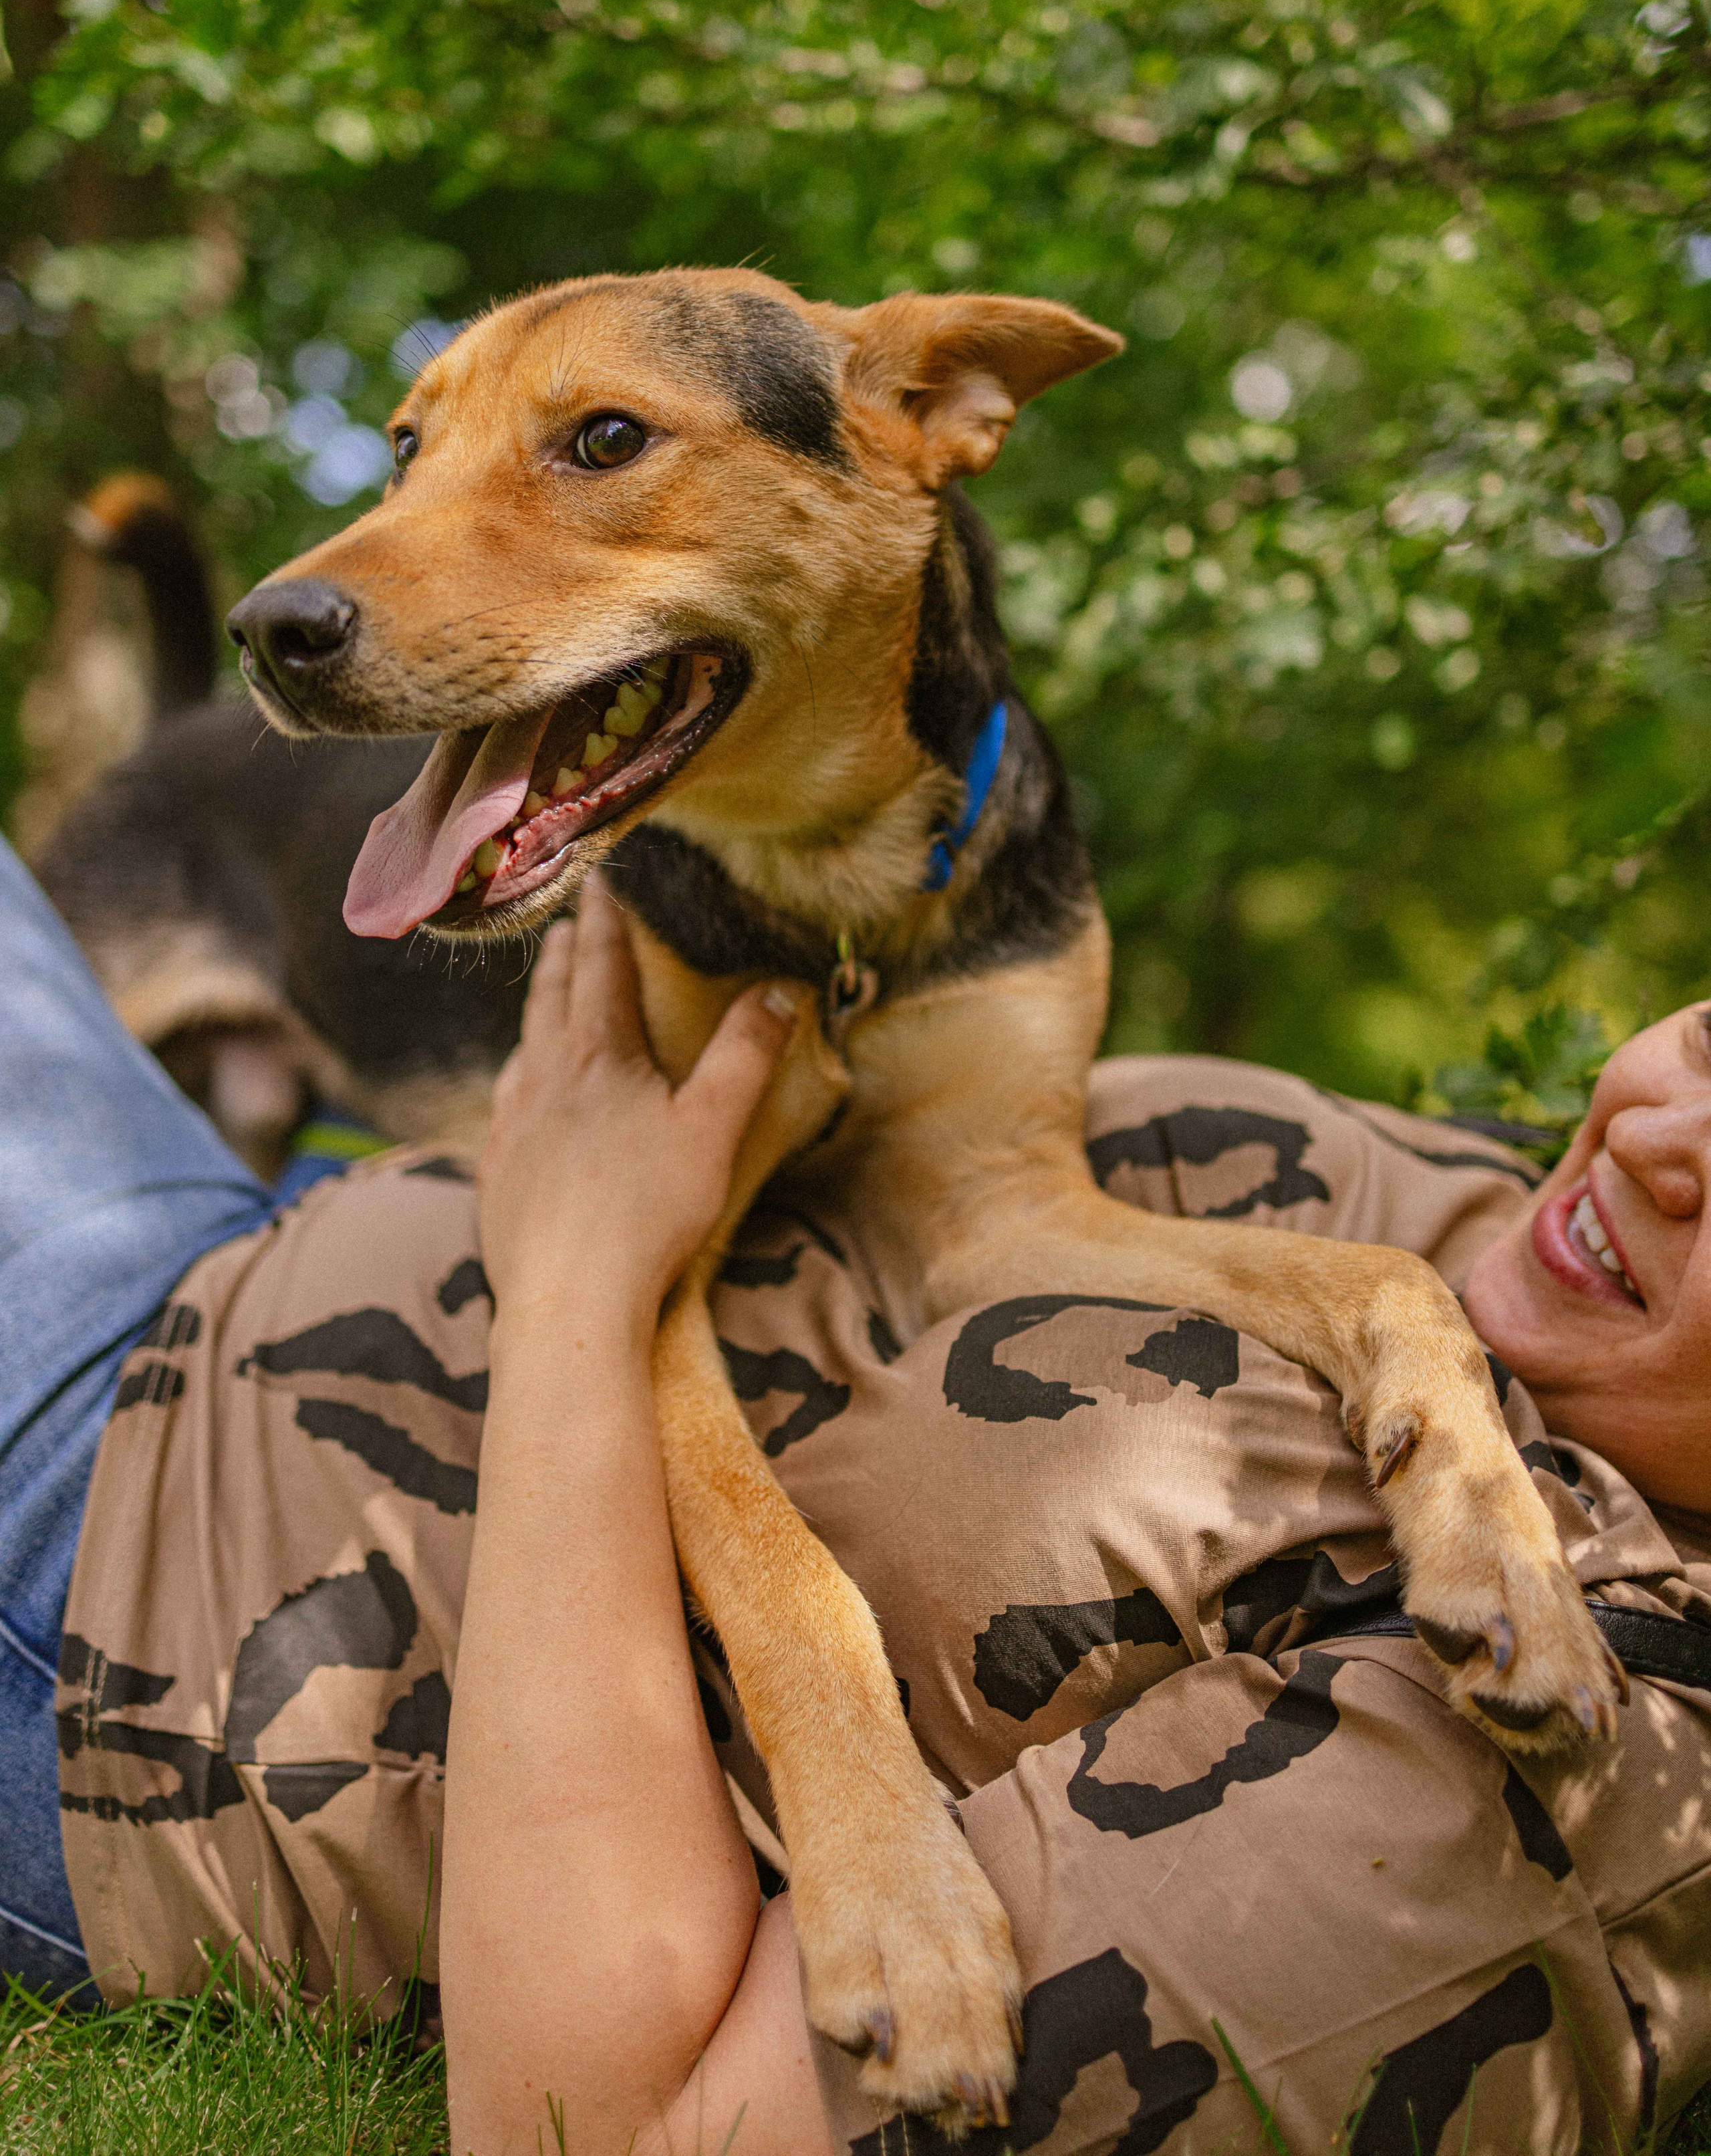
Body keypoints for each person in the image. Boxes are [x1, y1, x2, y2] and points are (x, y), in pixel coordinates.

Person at [4, 831, 1708, 2153]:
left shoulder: (1577, 1758)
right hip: (230, 1255)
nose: (1653, 1132)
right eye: (1704, 1040)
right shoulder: (1525, 1259)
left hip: (129, 1615)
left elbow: (609, 2131)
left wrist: (574, 1262)